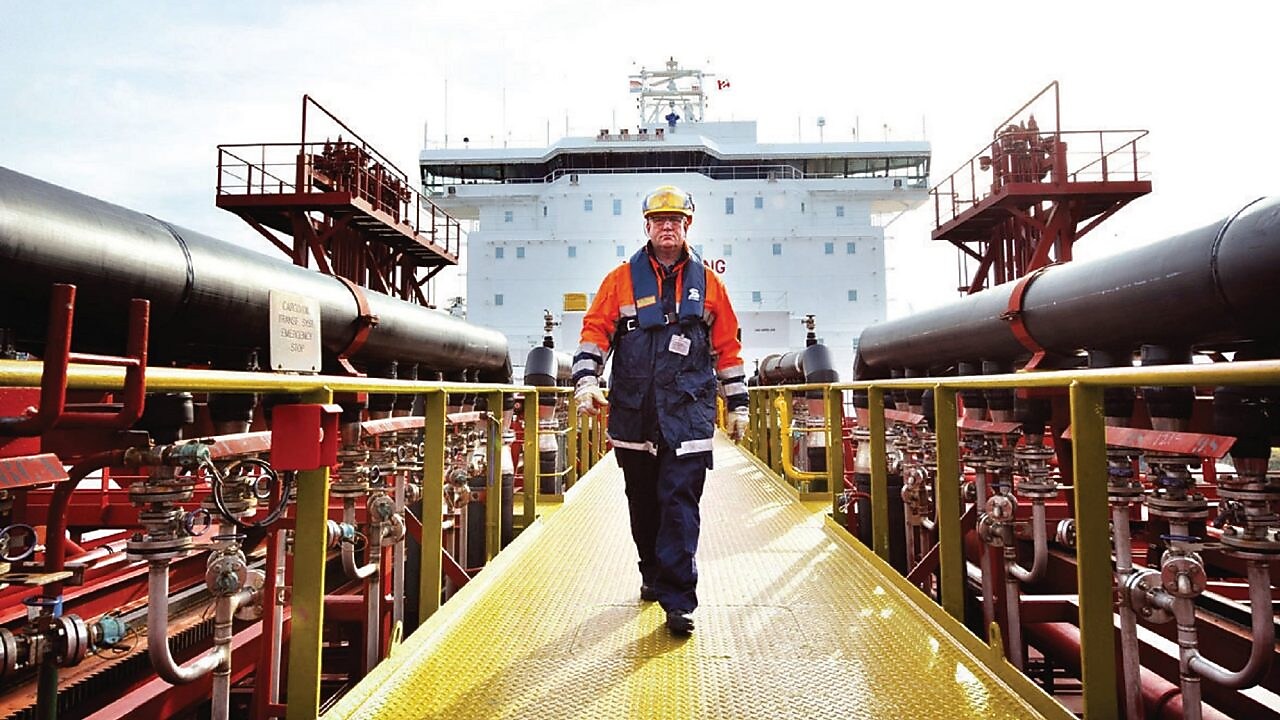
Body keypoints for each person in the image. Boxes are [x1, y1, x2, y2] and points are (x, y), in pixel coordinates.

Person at [572, 184, 749, 636]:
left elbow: (728, 348)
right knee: (644, 502)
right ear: (647, 227)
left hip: (687, 413)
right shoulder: (619, 281)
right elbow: (595, 333)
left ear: (687, 226)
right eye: (659, 220)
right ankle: (651, 570)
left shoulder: (710, 285)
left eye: (676, 220)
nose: (667, 227)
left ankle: (678, 600)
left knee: (679, 504)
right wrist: (587, 382)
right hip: (634, 412)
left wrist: (739, 405)